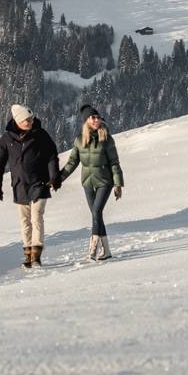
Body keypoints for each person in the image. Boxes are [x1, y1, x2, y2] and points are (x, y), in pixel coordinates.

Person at [0, 104, 60, 269]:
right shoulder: (7, 139)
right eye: (26, 120)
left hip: (40, 183)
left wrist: (54, 177)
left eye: (30, 118)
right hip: (20, 186)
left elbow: (52, 155)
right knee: (25, 222)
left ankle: (36, 256)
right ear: (17, 120)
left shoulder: (40, 134)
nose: (30, 121)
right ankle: (28, 255)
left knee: (37, 218)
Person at [60, 102, 124, 261]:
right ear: (86, 120)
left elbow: (115, 163)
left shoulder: (107, 139)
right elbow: (72, 162)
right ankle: (107, 250)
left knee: (96, 212)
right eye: (93, 117)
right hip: (88, 182)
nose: (97, 120)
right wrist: (57, 179)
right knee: (97, 215)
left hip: (104, 181)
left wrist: (118, 184)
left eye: (98, 117)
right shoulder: (79, 140)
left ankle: (93, 247)